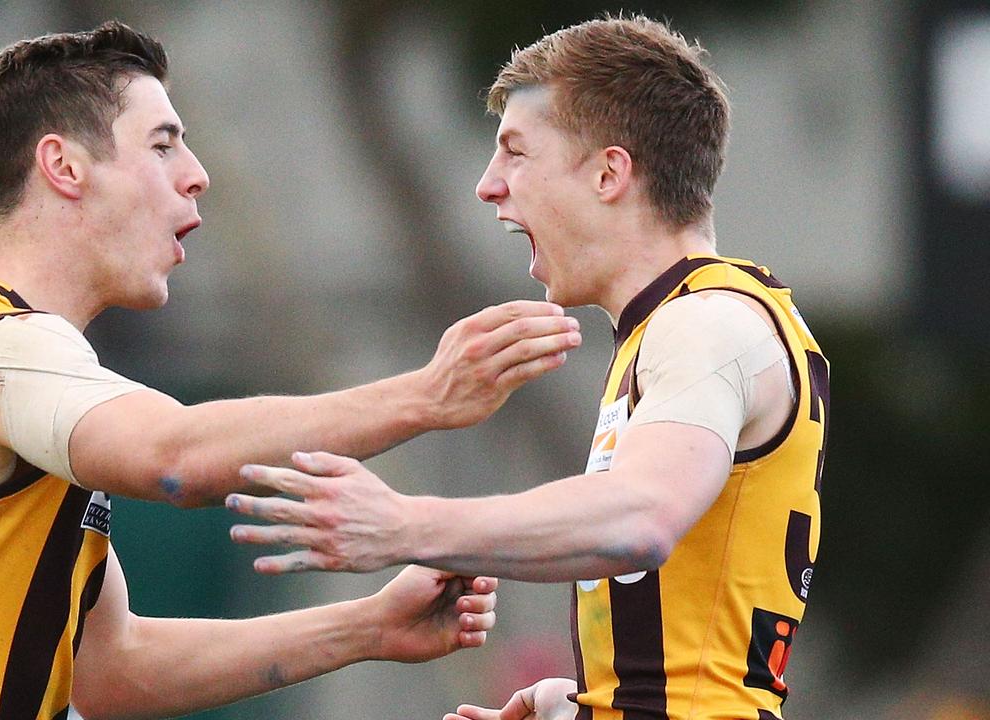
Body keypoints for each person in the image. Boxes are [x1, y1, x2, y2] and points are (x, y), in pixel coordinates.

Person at [0, 21, 584, 719]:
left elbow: (111, 672)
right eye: (161, 144)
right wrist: (425, 395)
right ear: (64, 166)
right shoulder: (2, 348)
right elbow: (176, 458)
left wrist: (366, 626)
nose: (196, 173)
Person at [226, 15, 829, 720]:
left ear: (609, 173)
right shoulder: (680, 325)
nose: (488, 186)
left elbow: (641, 518)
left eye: (515, 152)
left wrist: (404, 523)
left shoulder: (705, 323)